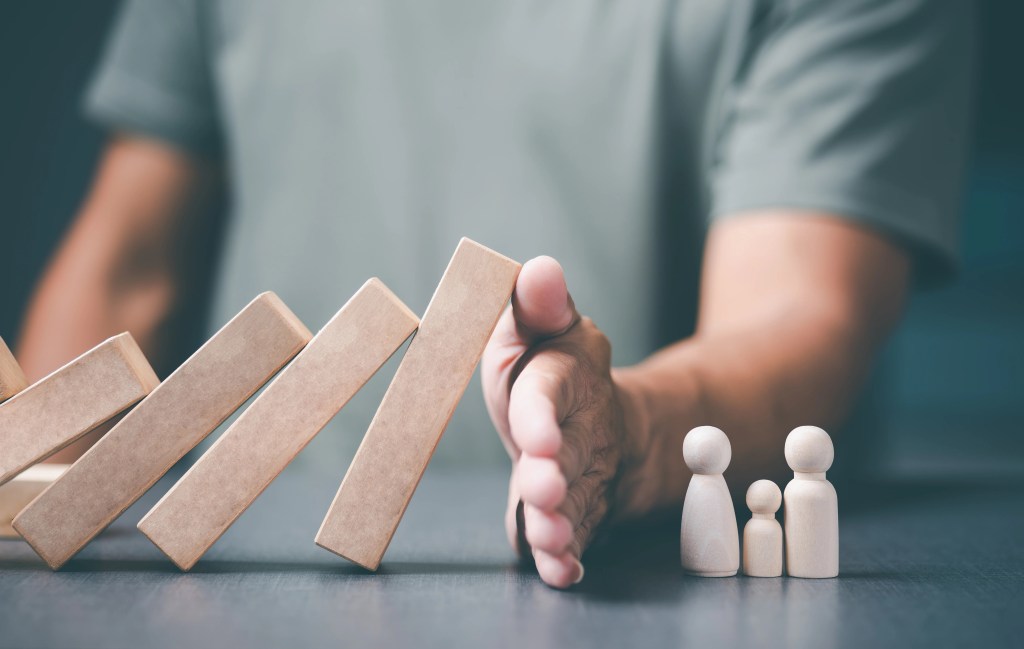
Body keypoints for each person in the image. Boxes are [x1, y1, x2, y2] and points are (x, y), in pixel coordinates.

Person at [16, 0, 973, 588]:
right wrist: (28, 478)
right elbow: (123, 266)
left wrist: (627, 434)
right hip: (229, 575)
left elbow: (800, 315)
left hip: (628, 583)